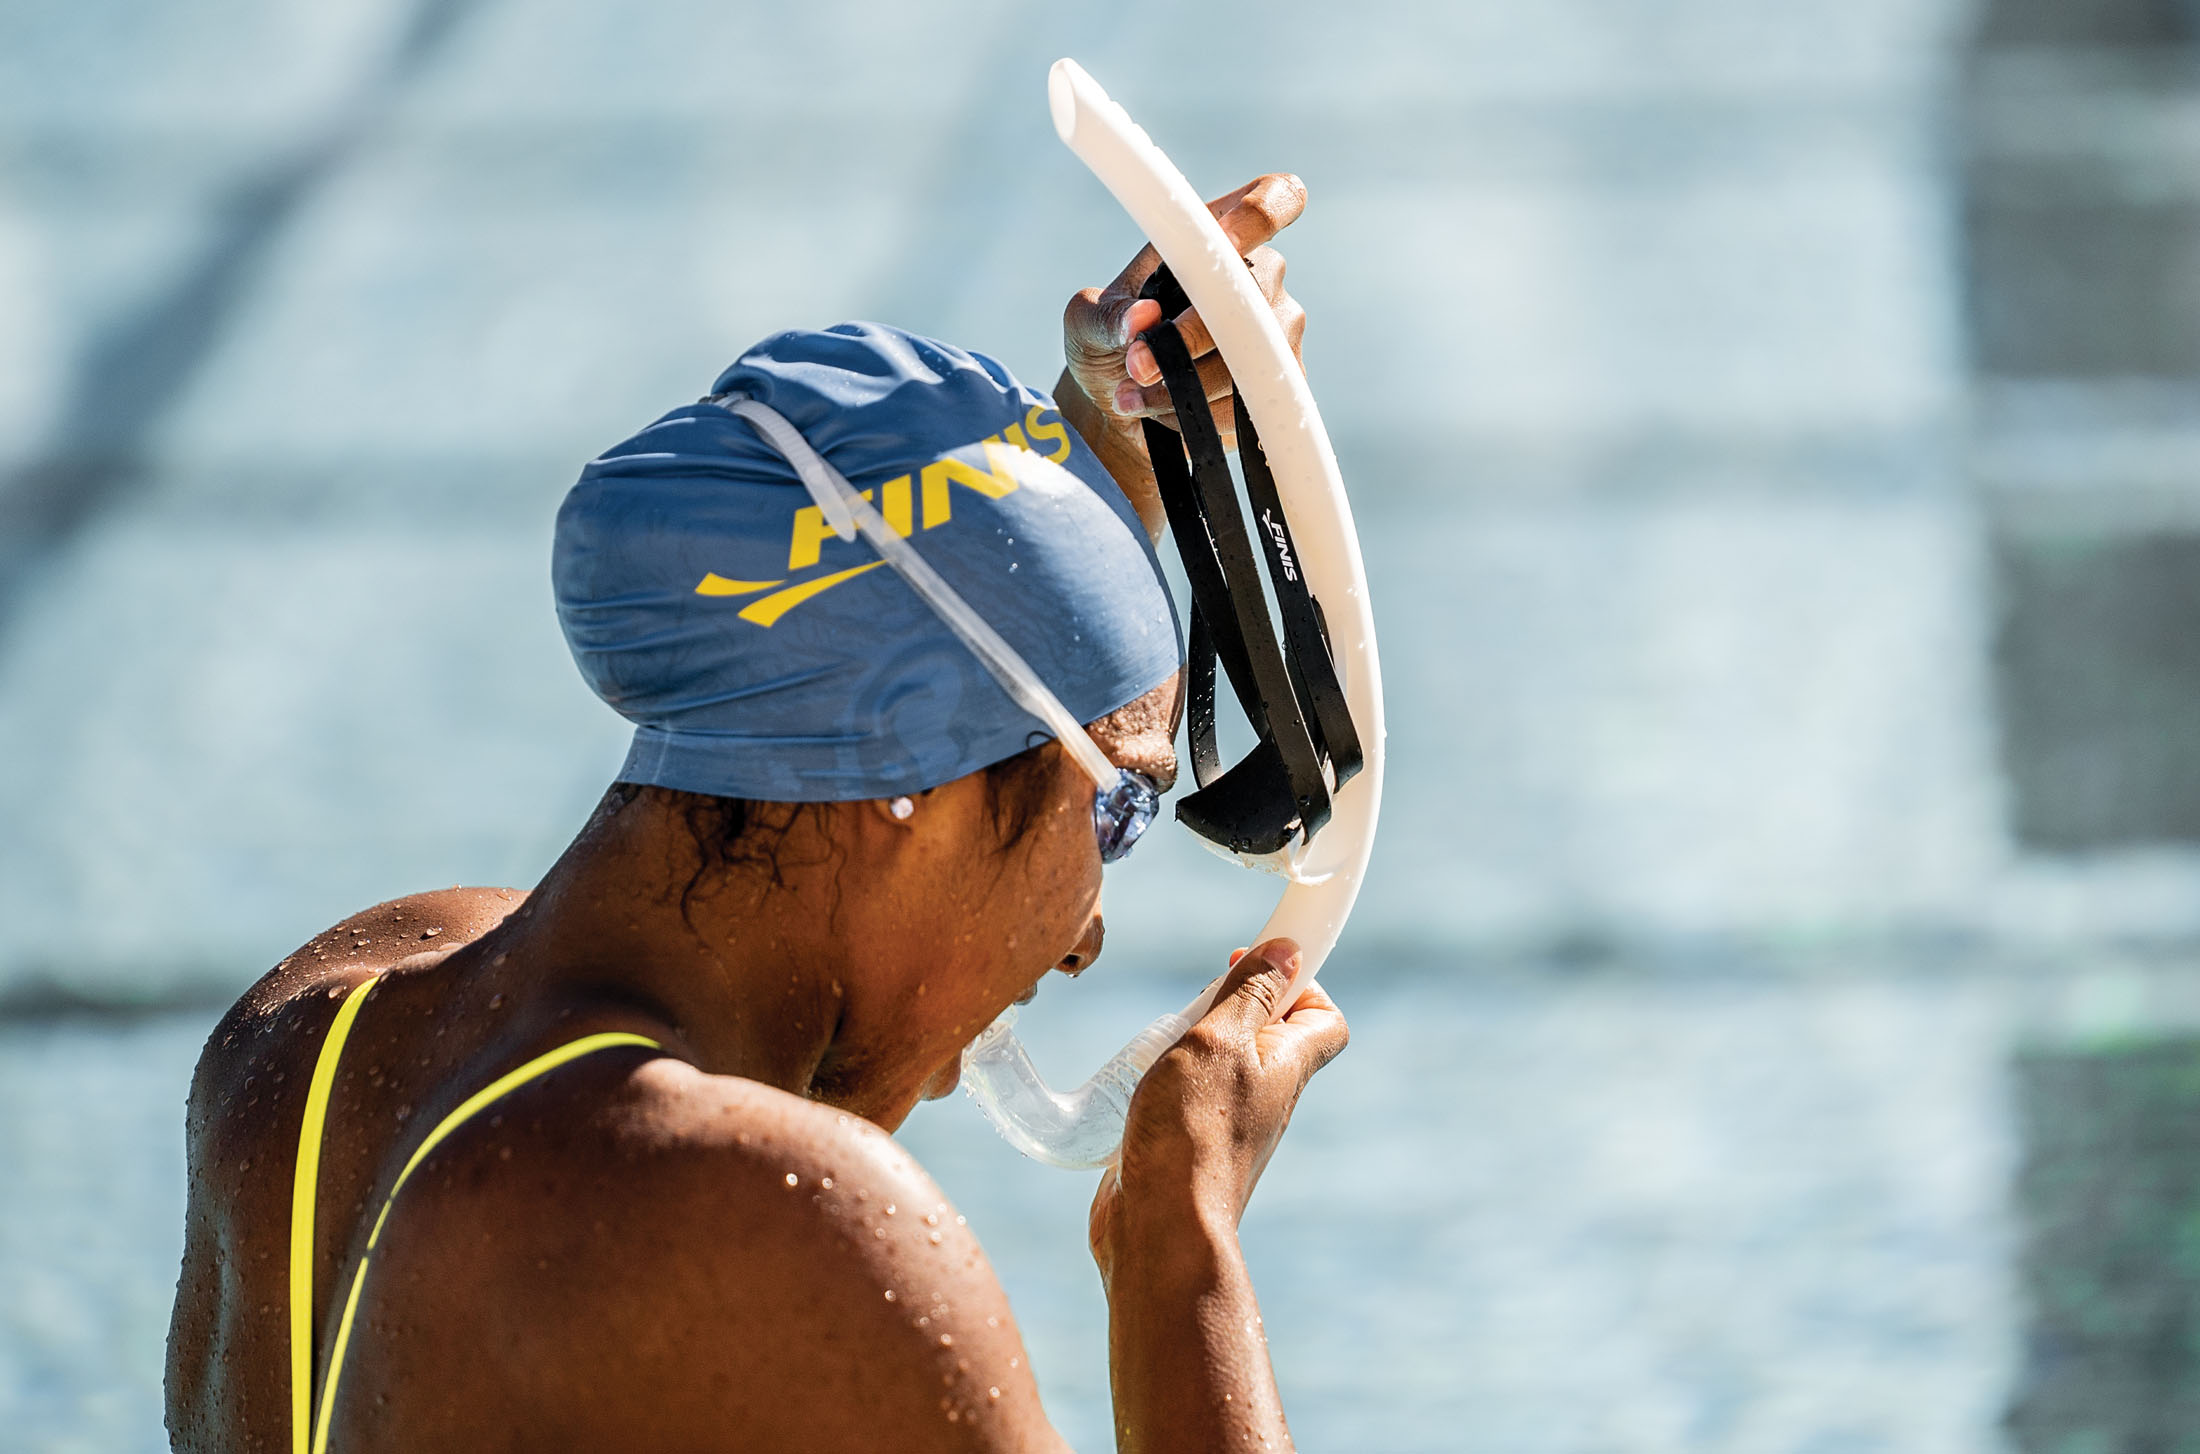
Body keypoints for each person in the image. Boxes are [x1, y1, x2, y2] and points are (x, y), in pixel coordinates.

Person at [165, 175, 1348, 1453]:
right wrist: (1180, 1236)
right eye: (1116, 808)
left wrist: (1103, 445)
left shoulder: (311, 1038)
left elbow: (921, 645)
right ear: (906, 788)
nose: (1084, 937)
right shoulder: (780, 1226)